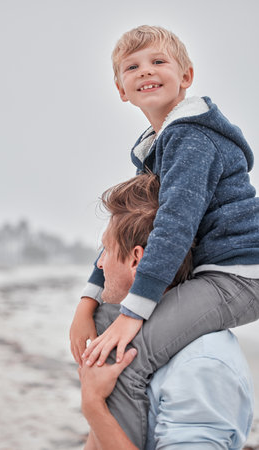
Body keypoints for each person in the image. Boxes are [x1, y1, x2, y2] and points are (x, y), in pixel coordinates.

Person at [70, 24, 259, 366]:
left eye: (158, 61)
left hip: (239, 275)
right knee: (103, 324)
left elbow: (174, 225)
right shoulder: (159, 146)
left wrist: (134, 312)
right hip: (210, 273)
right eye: (132, 67)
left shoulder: (192, 139)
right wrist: (89, 300)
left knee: (126, 355)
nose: (145, 70)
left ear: (186, 76)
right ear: (121, 90)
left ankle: (110, 419)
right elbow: (125, 230)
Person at [78, 173, 254, 449]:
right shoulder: (125, 339)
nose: (99, 264)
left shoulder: (202, 364)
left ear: (137, 259)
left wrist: (94, 406)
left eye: (107, 250)